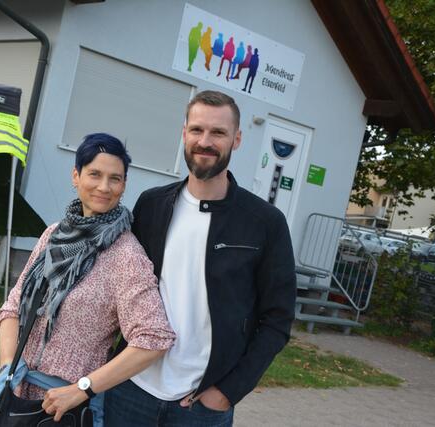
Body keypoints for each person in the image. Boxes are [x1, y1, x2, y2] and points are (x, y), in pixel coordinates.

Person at [104, 91, 296, 426]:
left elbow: (277, 320)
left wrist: (228, 392)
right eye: (196, 130)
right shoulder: (152, 205)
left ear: (236, 139)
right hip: (130, 390)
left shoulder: (265, 223)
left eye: (218, 132)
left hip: (201, 406)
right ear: (184, 133)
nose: (205, 141)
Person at [0, 133, 175, 426]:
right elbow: (13, 307)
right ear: (76, 176)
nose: (104, 187)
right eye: (95, 174)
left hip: (65, 409)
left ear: (124, 186)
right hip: (16, 396)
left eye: (115, 179)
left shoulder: (125, 255)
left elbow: (154, 338)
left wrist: (82, 389)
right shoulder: (54, 235)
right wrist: (8, 368)